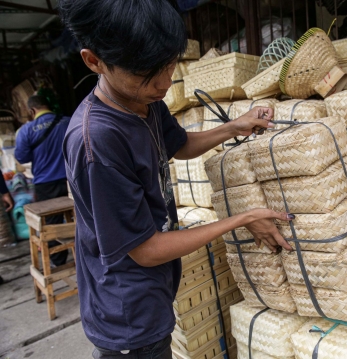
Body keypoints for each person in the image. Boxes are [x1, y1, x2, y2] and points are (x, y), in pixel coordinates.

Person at [59, 1, 293, 358]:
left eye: (169, 66)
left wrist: (236, 125)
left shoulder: (144, 102)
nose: (165, 83)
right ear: (94, 61)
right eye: (146, 74)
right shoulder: (98, 142)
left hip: (151, 293)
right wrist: (243, 219)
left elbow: (179, 144)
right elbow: (146, 250)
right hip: (128, 315)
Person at [15, 95, 70, 267]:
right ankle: (91, 255)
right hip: (72, 179)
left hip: (46, 184)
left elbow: (21, 158)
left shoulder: (27, 130)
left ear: (31, 111)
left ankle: (58, 261)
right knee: (83, 218)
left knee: (51, 226)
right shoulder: (68, 121)